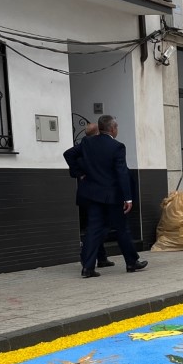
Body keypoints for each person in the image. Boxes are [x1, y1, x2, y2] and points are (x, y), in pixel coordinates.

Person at [64, 115, 146, 278]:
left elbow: (68, 154)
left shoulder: (87, 143)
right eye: (117, 127)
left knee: (93, 230)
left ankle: (87, 268)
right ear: (113, 129)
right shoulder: (117, 147)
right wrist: (128, 198)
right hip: (112, 197)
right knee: (122, 229)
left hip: (93, 196)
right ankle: (131, 262)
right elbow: (121, 173)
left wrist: (79, 173)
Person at [67, 118, 113, 268]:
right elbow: (67, 154)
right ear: (97, 133)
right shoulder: (87, 146)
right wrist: (78, 173)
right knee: (99, 227)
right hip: (94, 195)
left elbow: (68, 154)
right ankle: (86, 254)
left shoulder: (86, 146)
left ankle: (101, 257)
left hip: (86, 195)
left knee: (94, 226)